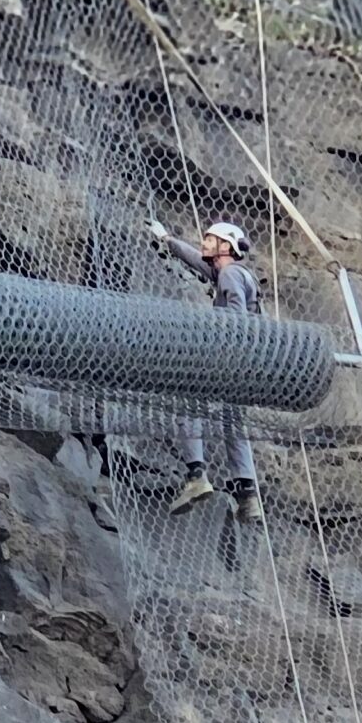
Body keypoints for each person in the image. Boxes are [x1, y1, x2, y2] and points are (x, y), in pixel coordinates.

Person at [148, 217, 263, 524]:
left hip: (228, 356)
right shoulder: (237, 274)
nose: (203, 243)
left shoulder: (229, 276)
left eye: (210, 240)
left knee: (188, 403)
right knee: (233, 422)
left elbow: (236, 318)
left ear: (225, 246)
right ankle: (248, 494)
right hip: (247, 365)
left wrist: (218, 346)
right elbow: (199, 263)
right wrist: (168, 241)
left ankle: (196, 475)